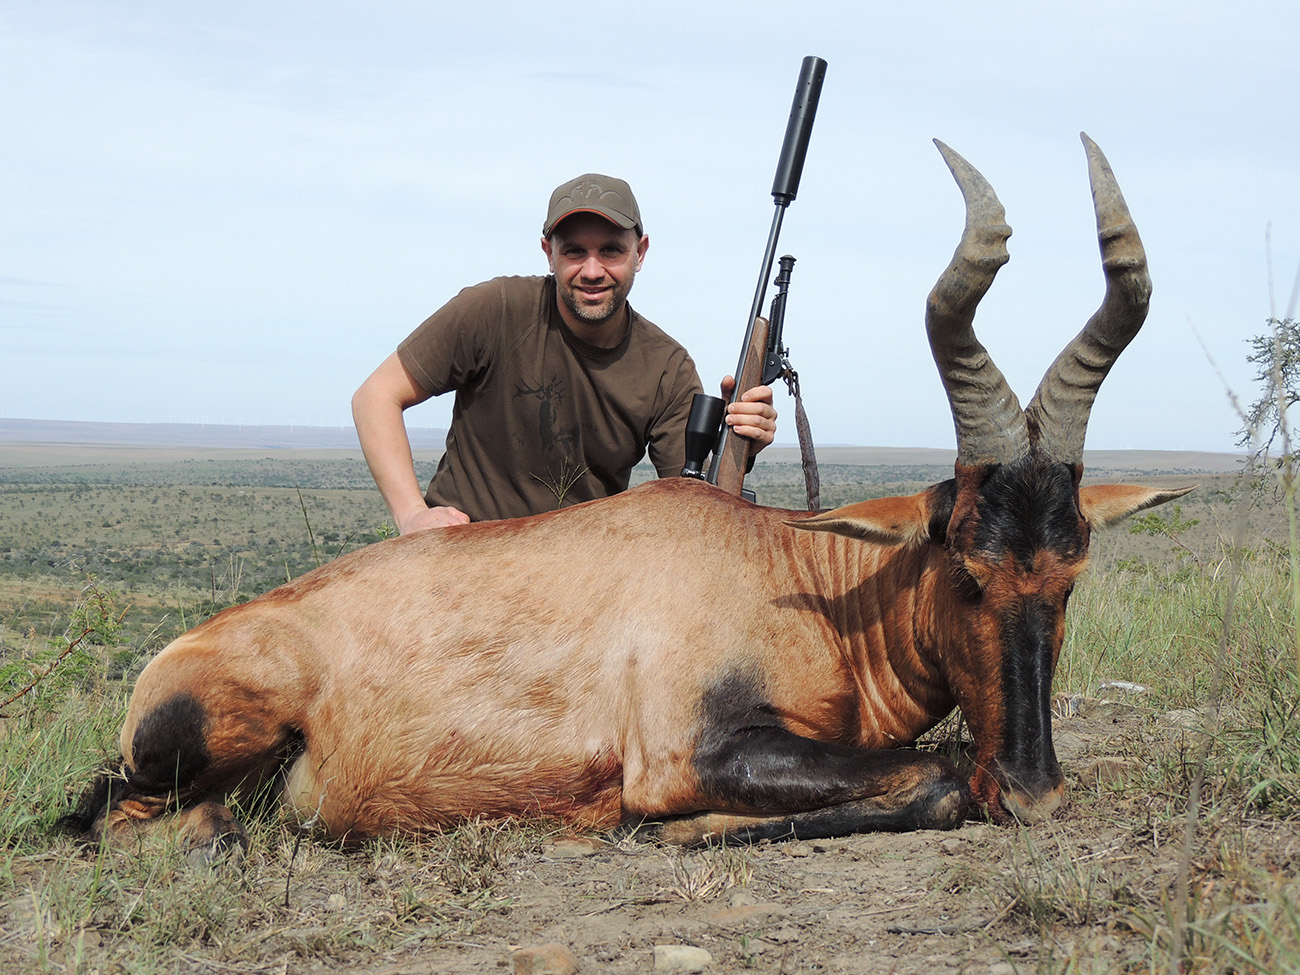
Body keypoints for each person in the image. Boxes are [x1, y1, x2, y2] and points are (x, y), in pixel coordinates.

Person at [352, 173, 777, 533]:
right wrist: (411, 515)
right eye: (574, 251)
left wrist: (741, 443)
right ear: (548, 253)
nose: (592, 271)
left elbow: (694, 503)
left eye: (611, 250)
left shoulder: (667, 367)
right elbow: (375, 396)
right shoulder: (493, 308)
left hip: (578, 581)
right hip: (466, 551)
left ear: (640, 252)